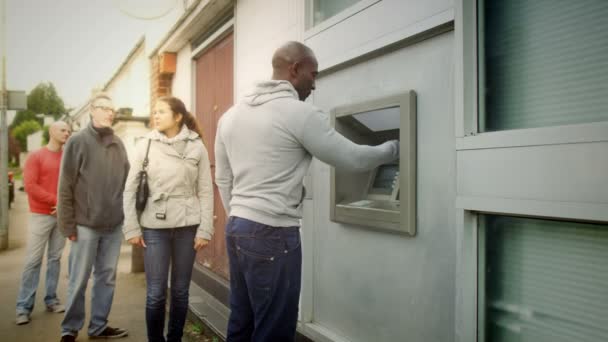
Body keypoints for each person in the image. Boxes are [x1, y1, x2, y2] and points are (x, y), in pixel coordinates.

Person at [214, 41, 400, 341]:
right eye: (313, 75)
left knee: (242, 321)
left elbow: (223, 179)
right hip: (273, 232)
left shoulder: (231, 116)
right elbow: (353, 158)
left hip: (238, 227)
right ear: (294, 69)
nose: (315, 84)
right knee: (273, 328)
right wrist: (394, 149)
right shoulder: (298, 114)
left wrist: (242, 216)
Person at [122, 96, 214, 342]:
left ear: (178, 116)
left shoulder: (196, 146)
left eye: (162, 111)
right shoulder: (146, 145)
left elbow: (205, 190)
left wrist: (205, 229)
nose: (156, 115)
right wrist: (131, 227)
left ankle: (174, 339)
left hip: (187, 225)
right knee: (155, 293)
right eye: (154, 111)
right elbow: (130, 189)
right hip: (155, 226)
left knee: (181, 291)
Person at [57, 93, 130, 342]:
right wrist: (67, 225)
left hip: (113, 225)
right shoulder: (77, 141)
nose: (110, 112)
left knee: (106, 278)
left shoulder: (119, 144)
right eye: (104, 108)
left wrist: (124, 217)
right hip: (85, 225)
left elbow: (126, 183)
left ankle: (98, 326)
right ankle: (70, 329)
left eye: (112, 108)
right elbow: (65, 185)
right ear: (91, 110)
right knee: (78, 279)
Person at [15, 121, 71, 325]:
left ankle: (51, 300)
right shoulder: (36, 156)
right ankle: (23, 307)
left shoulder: (68, 156)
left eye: (68, 130)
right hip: (40, 215)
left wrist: (65, 206)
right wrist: (58, 201)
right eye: (62, 130)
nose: (67, 132)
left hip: (61, 217)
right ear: (51, 132)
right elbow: (30, 186)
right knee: (33, 261)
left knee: (55, 259)